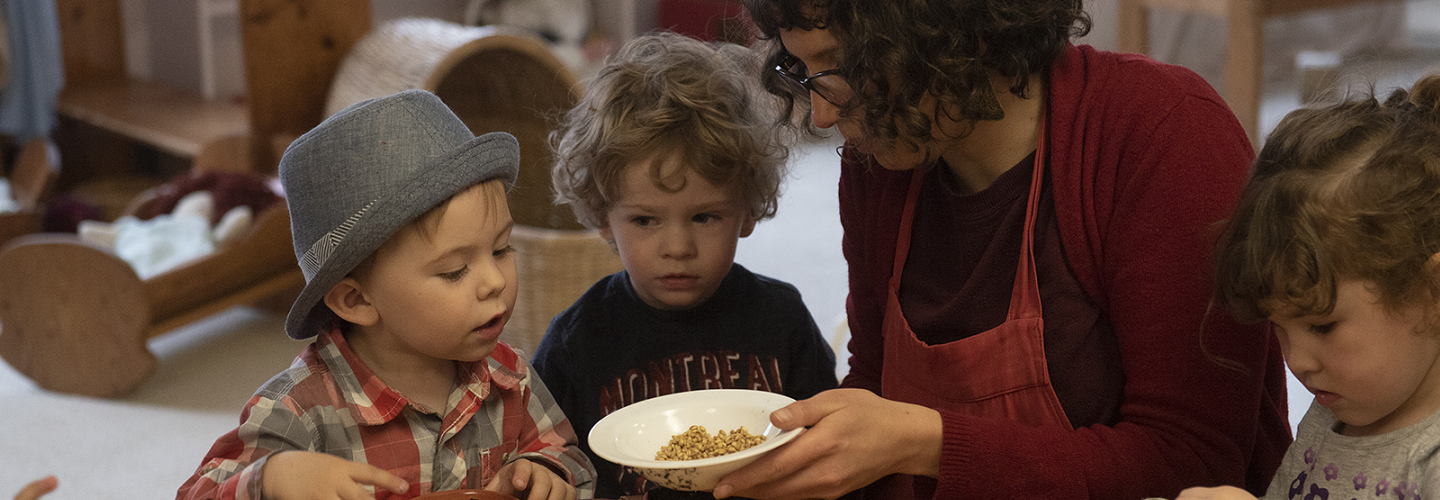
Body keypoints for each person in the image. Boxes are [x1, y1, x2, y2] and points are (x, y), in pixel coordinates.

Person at [711, 0, 1293, 499]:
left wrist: (927, 443)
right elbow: (875, 376)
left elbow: (1192, 462)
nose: (823, 113)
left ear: (946, 31)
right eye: (801, 69)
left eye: (843, 69)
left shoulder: (1162, 135)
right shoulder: (882, 161)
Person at [176, 90, 596, 500]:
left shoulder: (510, 377)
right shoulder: (300, 410)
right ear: (356, 301)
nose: (495, 281)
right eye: (454, 271)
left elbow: (569, 458)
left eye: (501, 249)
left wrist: (546, 472)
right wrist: (273, 478)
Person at [532, 32, 839, 500]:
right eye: (645, 219)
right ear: (602, 217)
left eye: (704, 216)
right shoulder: (577, 342)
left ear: (748, 211)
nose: (677, 247)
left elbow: (823, 443)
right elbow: (545, 456)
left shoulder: (781, 320)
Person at [1173, 75, 1440, 500]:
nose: (1298, 363)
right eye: (1278, 328)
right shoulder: (1335, 409)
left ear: (1431, 293)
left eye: (1322, 326)